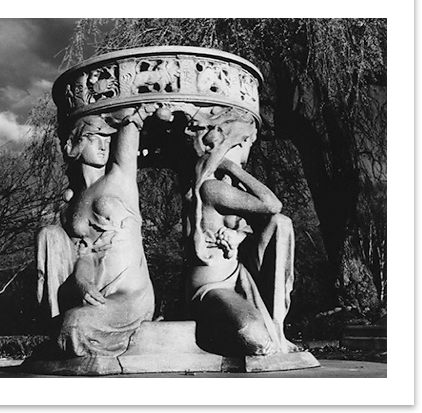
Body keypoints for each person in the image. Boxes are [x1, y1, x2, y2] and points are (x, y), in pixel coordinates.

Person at [36, 106, 157, 357]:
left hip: (130, 295)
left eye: (107, 139)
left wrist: (138, 108)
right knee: (48, 234)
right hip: (96, 293)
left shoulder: (120, 177)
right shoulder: (71, 205)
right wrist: (82, 282)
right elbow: (85, 255)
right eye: (94, 138)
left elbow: (130, 122)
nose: (103, 146)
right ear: (76, 144)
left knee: (74, 326)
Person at [183, 106, 300, 356]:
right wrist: (235, 169)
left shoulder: (219, 188)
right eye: (247, 141)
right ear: (237, 143)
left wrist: (237, 235)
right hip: (211, 289)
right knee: (257, 340)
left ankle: (277, 325)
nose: (249, 148)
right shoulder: (212, 188)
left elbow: (257, 221)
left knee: (281, 223)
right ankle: (258, 332)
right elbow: (272, 204)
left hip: (234, 278)